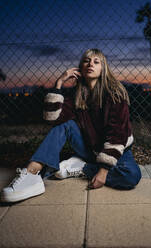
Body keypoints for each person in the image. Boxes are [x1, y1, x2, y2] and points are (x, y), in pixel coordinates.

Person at [0, 48, 141, 203]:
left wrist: (103, 171)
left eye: (96, 61)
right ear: (80, 67)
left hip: (118, 150)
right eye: (86, 61)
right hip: (91, 148)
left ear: (103, 68)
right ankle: (32, 173)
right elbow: (53, 119)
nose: (90, 64)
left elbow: (117, 134)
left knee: (131, 176)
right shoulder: (77, 95)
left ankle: (82, 167)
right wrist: (59, 84)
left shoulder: (115, 93)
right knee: (64, 124)